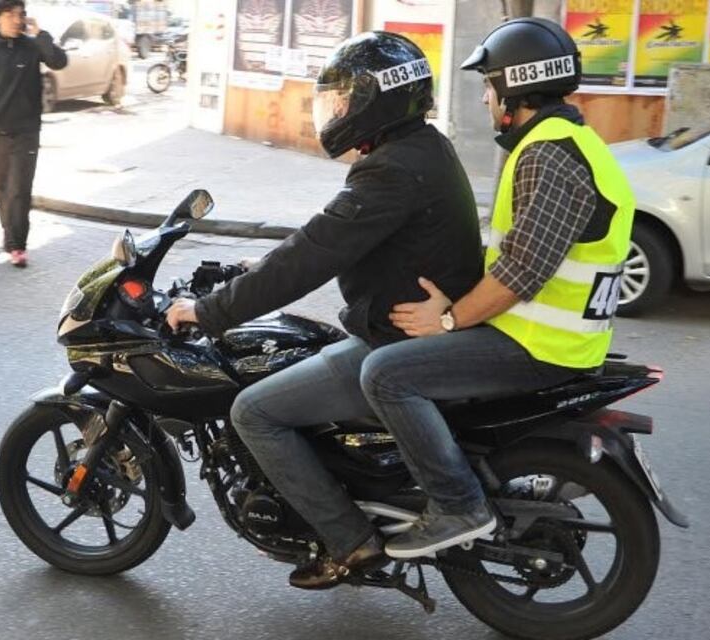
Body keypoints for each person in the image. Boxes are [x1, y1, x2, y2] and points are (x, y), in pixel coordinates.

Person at [165, 32, 483, 589]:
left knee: (253, 412)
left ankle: (349, 542)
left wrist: (208, 311)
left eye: (343, 99)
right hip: (404, 331)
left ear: (375, 100)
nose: (335, 111)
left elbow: (312, 255)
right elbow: (326, 237)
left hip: (397, 344)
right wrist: (254, 268)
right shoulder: (422, 148)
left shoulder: (390, 170)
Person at [359, 17, 637, 559]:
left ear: (514, 89)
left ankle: (456, 504)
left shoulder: (548, 155)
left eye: (489, 86)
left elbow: (521, 273)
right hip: (546, 335)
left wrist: (447, 321)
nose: (486, 99)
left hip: (540, 347)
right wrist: (455, 304)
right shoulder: (573, 143)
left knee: (386, 375)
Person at [0, 0, 67, 267]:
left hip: (26, 132)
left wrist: (39, 34)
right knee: (2, 189)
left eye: (20, 14)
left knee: (19, 189)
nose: (16, 19)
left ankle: (18, 246)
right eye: (10, 14)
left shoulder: (32, 46)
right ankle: (10, 236)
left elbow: (58, 61)